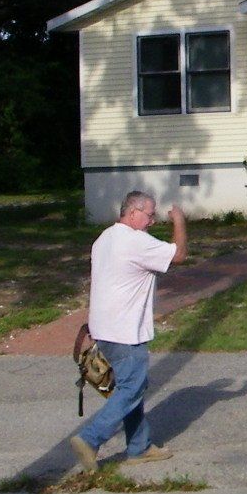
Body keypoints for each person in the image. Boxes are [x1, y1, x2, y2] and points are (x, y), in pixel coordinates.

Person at [70, 190, 186, 472]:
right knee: (133, 387)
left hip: (103, 329)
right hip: (125, 330)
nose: (152, 221)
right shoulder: (135, 241)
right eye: (150, 215)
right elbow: (179, 255)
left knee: (128, 387)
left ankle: (139, 446)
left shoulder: (104, 238)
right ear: (132, 212)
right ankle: (90, 438)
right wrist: (179, 221)